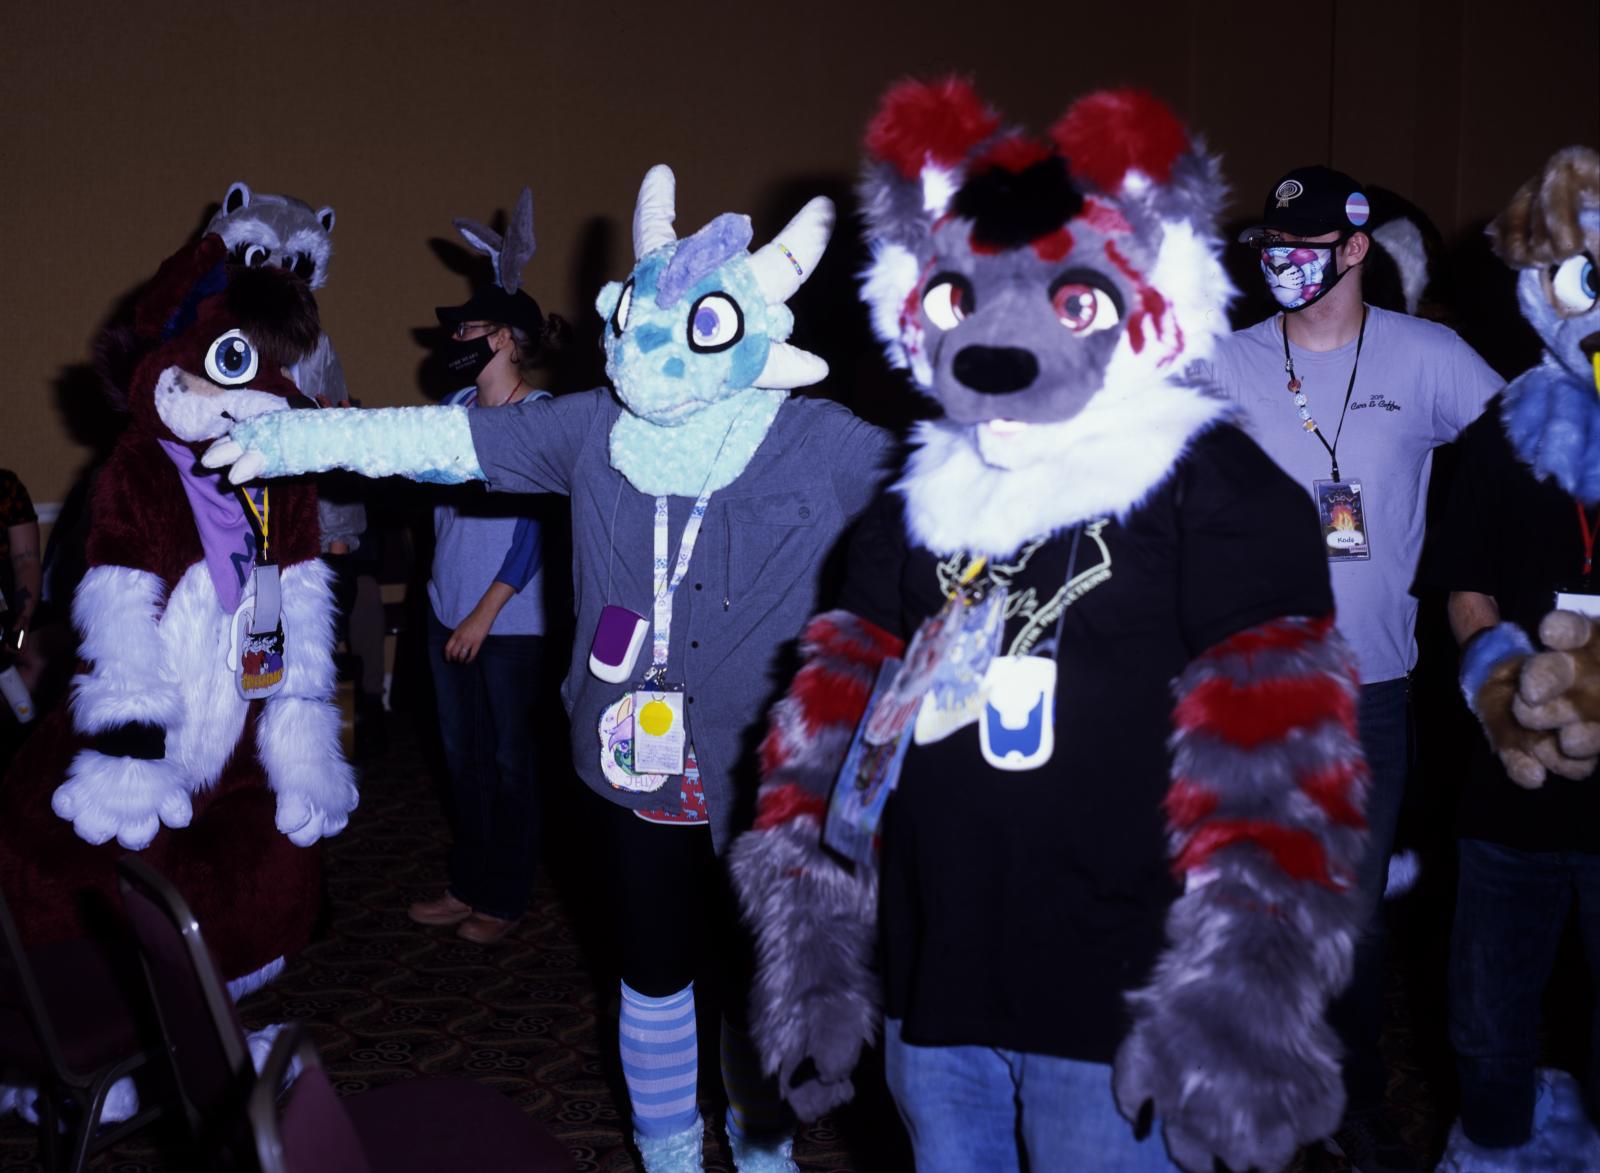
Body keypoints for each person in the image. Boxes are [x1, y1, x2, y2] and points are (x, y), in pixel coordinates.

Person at [205, 169, 892, 1172]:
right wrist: (291, 436)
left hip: (769, 778)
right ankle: (667, 1158)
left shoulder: (820, 443)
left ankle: (763, 1153)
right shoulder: (591, 426)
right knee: (652, 976)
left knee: (759, 987)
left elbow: (956, 498)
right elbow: (439, 440)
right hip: (632, 765)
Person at [1196, 165, 1503, 1170]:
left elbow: (1523, 465)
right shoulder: (1224, 363)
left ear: (1356, 248)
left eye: (1307, 247)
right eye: (1272, 248)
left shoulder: (1428, 357)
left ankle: (1350, 1099)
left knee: (1356, 921)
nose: (1284, 262)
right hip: (1243, 684)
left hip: (1368, 688)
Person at [1422, 145, 1600, 1170]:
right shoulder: (1500, 432)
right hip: (1511, 792)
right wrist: (1499, 694)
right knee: (1486, 1026)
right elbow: (1466, 587)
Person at [405, 281, 564, 945]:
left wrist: (483, 614)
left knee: (510, 764)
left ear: (502, 338)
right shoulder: (454, 407)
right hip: (446, 608)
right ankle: (468, 883)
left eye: (467, 330)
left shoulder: (541, 417)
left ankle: (504, 897)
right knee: (461, 760)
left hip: (510, 626)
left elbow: (536, 532)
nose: (455, 341)